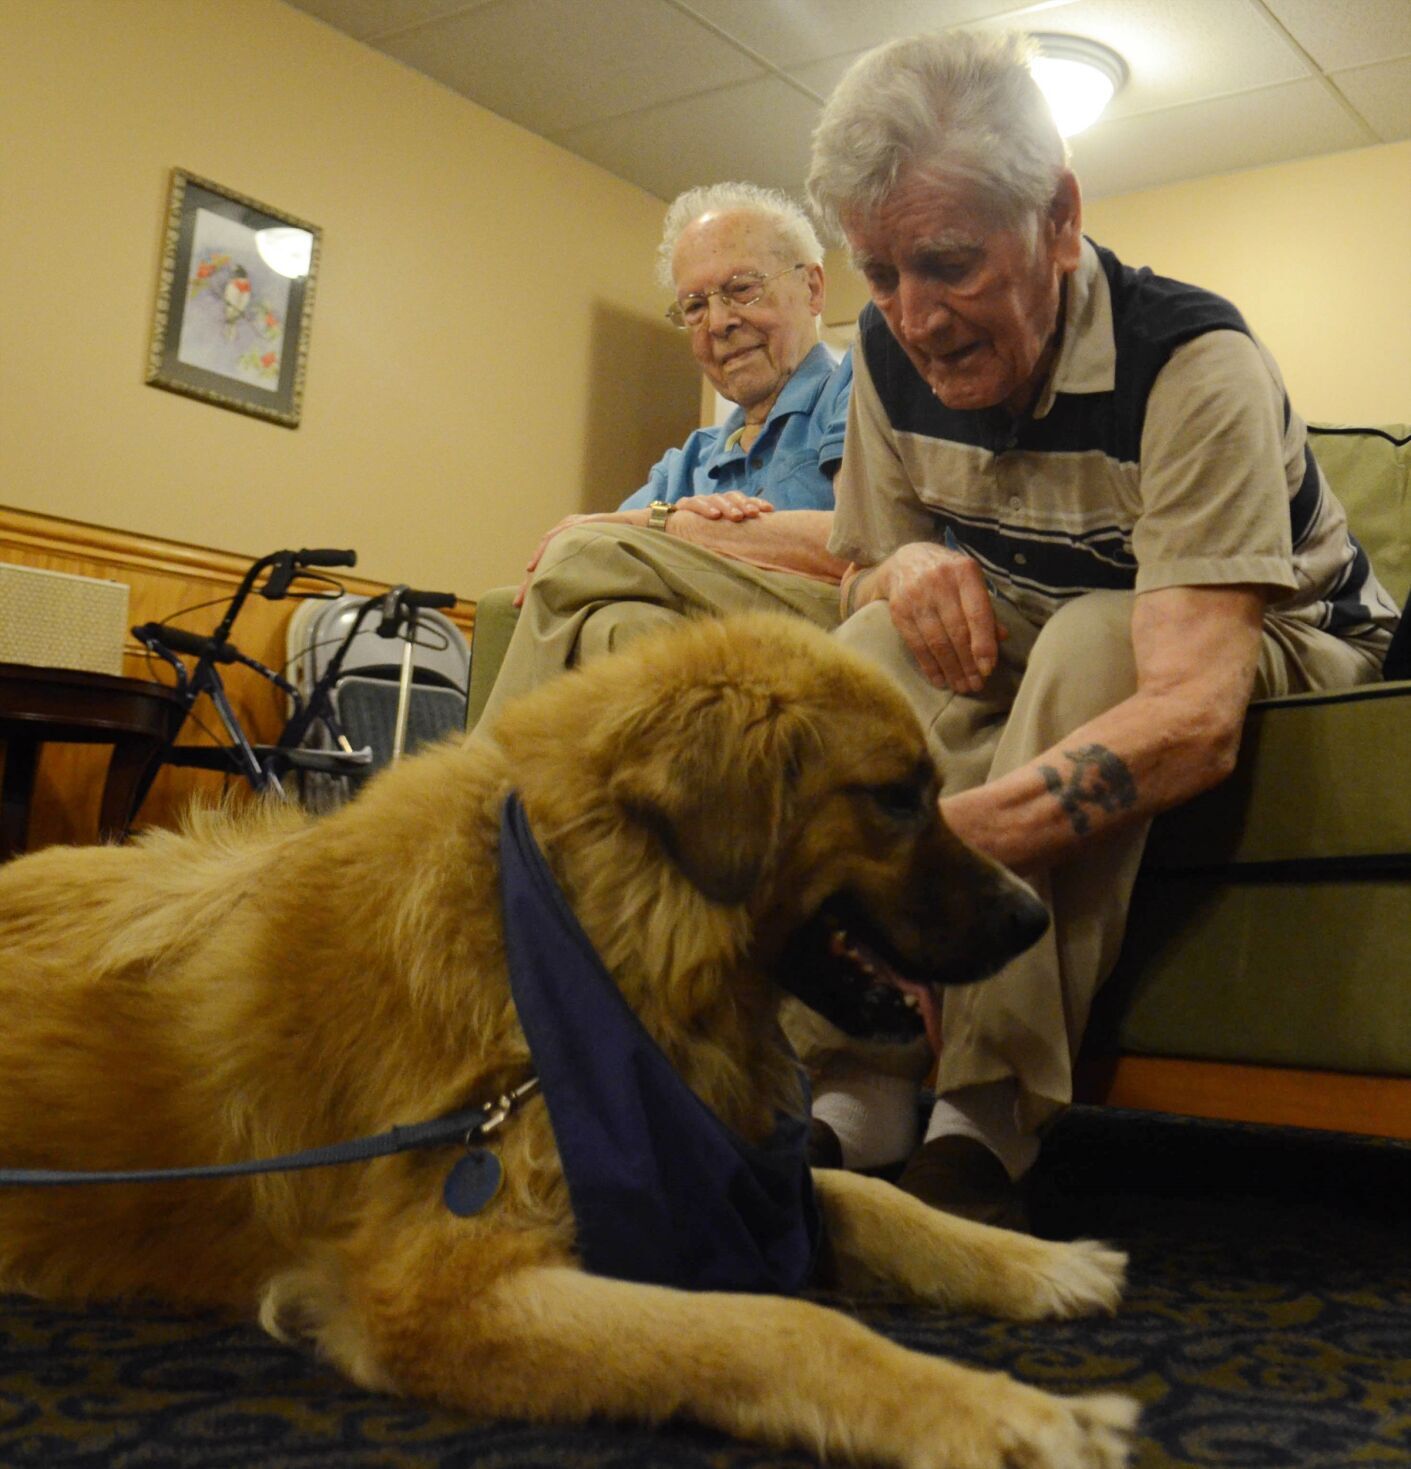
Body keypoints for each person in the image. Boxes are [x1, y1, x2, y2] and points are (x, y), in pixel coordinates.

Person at [801, 29, 1398, 1225]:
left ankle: (990, 1107)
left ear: (1058, 219)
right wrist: (908, 560)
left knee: (1093, 640)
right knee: (859, 664)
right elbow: (863, 559)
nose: (914, 316)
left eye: (948, 263)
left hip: (1289, 643)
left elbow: (1189, 712)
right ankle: (854, 1080)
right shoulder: (880, 345)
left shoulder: (1192, 360)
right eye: (879, 272)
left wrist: (913, 869)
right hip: (1054, 608)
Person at [472, 182, 852, 730]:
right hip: (706, 687)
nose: (718, 322)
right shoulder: (689, 462)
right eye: (694, 306)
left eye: (742, 288)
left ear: (813, 288)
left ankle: (478, 800)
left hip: (824, 649)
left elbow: (864, 547)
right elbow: (595, 559)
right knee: (615, 628)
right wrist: (659, 521)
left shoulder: (856, 394)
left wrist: (680, 530)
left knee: (580, 555)